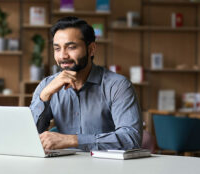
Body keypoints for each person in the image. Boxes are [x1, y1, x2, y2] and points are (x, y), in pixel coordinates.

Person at [30, 16, 143, 152]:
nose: (63, 56)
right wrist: (44, 96)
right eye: (57, 49)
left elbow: (131, 138)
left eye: (71, 47)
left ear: (91, 49)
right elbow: (28, 137)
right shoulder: (47, 85)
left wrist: (73, 140)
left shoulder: (117, 85)